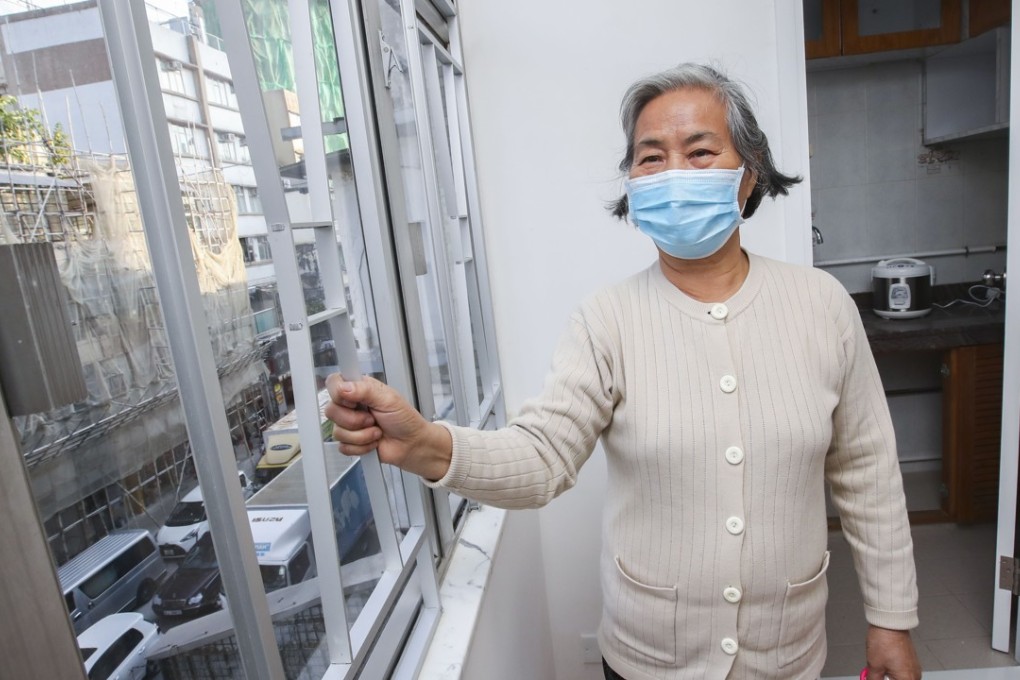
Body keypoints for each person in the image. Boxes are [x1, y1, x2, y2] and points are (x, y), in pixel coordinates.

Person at [325, 63, 922, 680]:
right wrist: (426, 443)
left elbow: (868, 473)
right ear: (633, 187)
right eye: (651, 158)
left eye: (700, 151)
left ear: (748, 175)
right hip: (648, 661)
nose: (674, 175)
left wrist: (891, 619)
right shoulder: (606, 319)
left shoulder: (822, 306)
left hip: (788, 655)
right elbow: (542, 458)